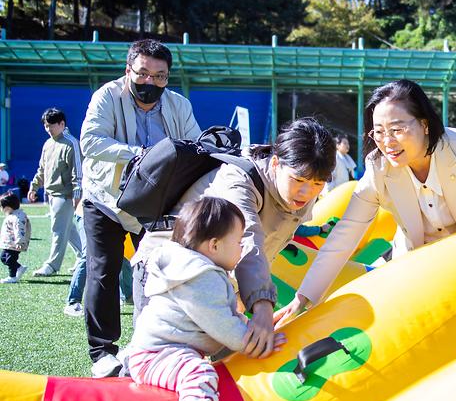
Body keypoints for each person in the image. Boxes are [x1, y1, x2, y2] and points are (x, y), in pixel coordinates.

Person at [275, 79, 456, 326]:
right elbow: (345, 234)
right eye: (378, 132)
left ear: (424, 124)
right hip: (419, 272)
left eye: (397, 129)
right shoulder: (378, 168)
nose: (387, 142)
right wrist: (303, 297)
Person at [131, 117, 337, 355]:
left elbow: (270, 245)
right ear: (276, 163)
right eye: (298, 180)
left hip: (218, 282)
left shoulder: (301, 191)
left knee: (230, 360)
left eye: (318, 183)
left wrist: (240, 295)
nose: (306, 192)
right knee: (156, 358)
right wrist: (261, 306)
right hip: (168, 276)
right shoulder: (239, 180)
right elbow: (250, 240)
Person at [127, 197, 287, 401]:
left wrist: (254, 325)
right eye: (238, 241)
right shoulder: (201, 277)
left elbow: (224, 316)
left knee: (199, 368)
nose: (242, 248)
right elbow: (225, 328)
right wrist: (257, 342)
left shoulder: (195, 269)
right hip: (158, 355)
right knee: (199, 373)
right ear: (214, 245)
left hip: (166, 350)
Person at [80, 39, 202, 378]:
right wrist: (140, 154)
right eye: (143, 73)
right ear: (128, 70)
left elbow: (195, 146)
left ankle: (149, 347)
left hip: (154, 203)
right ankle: (102, 352)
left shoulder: (178, 105)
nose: (151, 82)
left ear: (168, 78)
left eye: (160, 76)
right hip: (105, 199)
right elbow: (90, 141)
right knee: (103, 271)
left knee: (158, 272)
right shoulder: (107, 96)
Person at [27, 108, 83, 276]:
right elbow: (42, 169)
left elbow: (78, 171)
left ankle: (52, 265)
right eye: (46, 126)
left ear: (62, 124)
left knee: (58, 230)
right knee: (68, 230)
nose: (48, 129)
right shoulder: (48, 144)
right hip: (52, 194)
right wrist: (34, 186)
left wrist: (77, 194)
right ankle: (84, 257)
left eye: (51, 125)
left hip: (65, 195)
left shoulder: (71, 143)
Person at [0, 191, 30, 284]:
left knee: (10, 259)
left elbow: (20, 229)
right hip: (9, 243)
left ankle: (12, 277)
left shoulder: (18, 217)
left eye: (1, 206)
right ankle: (19, 267)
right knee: (3, 257)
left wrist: (19, 242)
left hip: (14, 244)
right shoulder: (13, 215)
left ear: (8, 207)